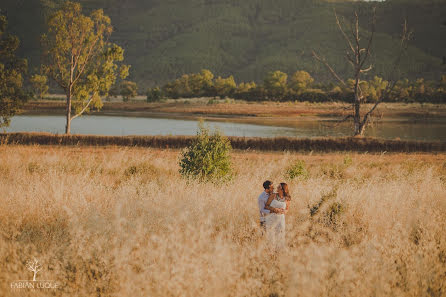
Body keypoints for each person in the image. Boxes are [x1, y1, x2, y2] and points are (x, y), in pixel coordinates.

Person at [264, 182, 291, 251]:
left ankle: (279, 252)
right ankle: (270, 251)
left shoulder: (287, 198)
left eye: (279, 187)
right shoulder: (273, 195)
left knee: (280, 235)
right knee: (271, 235)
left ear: (282, 189)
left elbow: (287, 209)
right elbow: (266, 206)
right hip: (271, 218)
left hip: (281, 219)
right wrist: (274, 209)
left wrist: (284, 211)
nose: (277, 188)